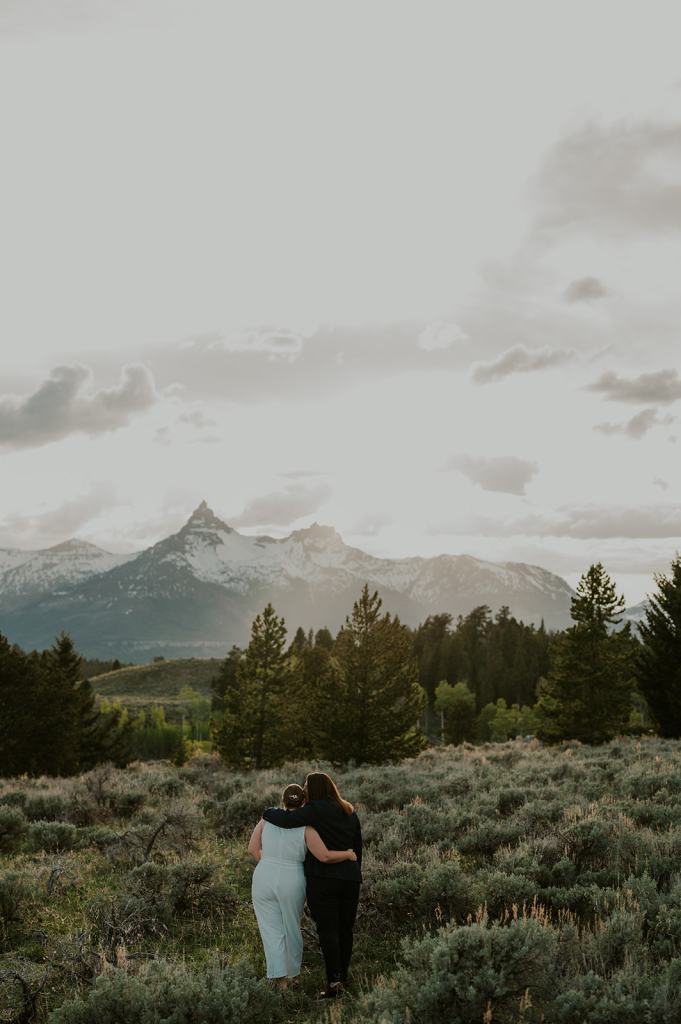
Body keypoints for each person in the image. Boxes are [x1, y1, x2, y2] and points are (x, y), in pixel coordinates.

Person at [263, 772, 362, 999]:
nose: (304, 790)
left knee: (328, 931)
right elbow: (358, 848)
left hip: (322, 880)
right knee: (345, 930)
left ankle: (334, 982)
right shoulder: (349, 810)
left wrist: (267, 812)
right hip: (350, 878)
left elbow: (287, 820)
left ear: (314, 789)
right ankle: (342, 977)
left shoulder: (315, 809)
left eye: (306, 786)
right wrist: (355, 872)